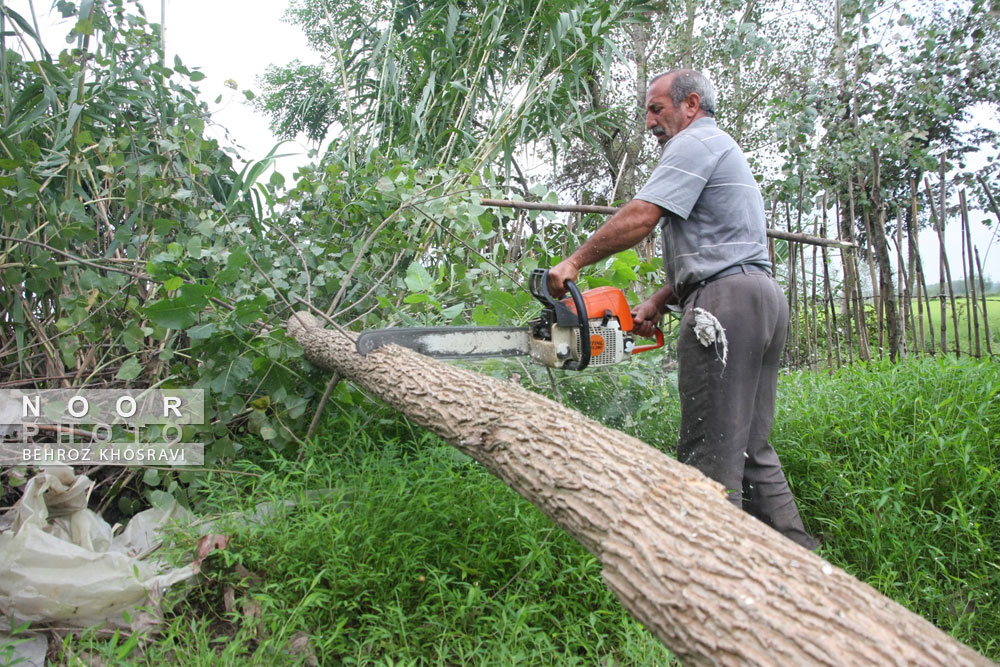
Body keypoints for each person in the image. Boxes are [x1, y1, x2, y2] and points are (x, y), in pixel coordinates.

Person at [547, 69, 818, 551]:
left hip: (726, 305)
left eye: (657, 109)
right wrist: (658, 299)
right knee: (753, 452)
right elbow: (720, 247)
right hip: (759, 298)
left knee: (710, 457)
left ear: (690, 105)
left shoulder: (693, 144)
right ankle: (808, 575)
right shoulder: (721, 149)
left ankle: (715, 581)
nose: (650, 120)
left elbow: (642, 214)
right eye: (648, 111)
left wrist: (574, 261)